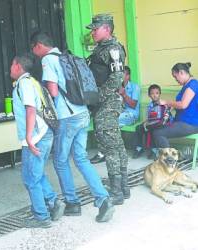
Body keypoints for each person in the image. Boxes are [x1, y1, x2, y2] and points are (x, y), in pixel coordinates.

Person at [31, 31, 114, 223]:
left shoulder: (48, 61)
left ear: (38, 46)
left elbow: (52, 90)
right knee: (81, 158)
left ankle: (72, 202)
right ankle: (103, 199)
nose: (35, 54)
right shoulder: (67, 57)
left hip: (67, 116)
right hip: (83, 113)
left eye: (34, 49)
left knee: (60, 161)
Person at [11, 53, 65, 228]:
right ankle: (53, 202)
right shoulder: (33, 82)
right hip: (44, 133)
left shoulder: (24, 83)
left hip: (36, 136)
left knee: (30, 178)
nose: (10, 68)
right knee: (37, 173)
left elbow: (30, 110)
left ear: (18, 66)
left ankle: (41, 217)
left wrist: (28, 137)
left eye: (12, 65)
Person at [86, 14, 129, 205]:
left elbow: (117, 78)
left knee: (109, 147)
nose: (93, 32)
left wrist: (98, 98)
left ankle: (116, 191)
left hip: (107, 103)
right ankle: (123, 187)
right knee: (117, 145)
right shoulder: (101, 49)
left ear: (107, 29)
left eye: (96, 29)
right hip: (106, 102)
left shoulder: (112, 49)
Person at [90, 65, 140, 164]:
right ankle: (107, 152)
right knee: (102, 122)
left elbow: (133, 105)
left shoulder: (135, 87)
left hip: (130, 114)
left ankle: (104, 153)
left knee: (108, 124)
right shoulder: (115, 87)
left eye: (122, 74)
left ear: (128, 76)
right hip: (118, 113)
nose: (120, 77)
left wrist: (124, 94)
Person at [153, 62, 198, 147]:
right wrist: (170, 107)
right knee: (156, 127)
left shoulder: (193, 84)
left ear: (181, 72)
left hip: (190, 124)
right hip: (182, 122)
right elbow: (179, 105)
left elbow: (183, 105)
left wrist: (167, 102)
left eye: (175, 76)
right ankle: (165, 154)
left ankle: (169, 158)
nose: (175, 79)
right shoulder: (186, 86)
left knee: (158, 133)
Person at [132, 84, 172, 159]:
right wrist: (145, 123)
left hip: (162, 124)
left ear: (160, 94)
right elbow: (149, 118)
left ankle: (154, 150)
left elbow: (166, 116)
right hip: (153, 123)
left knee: (152, 130)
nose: (155, 95)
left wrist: (149, 124)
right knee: (139, 128)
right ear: (149, 95)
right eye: (152, 93)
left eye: (157, 93)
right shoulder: (150, 105)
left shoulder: (163, 103)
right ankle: (138, 148)